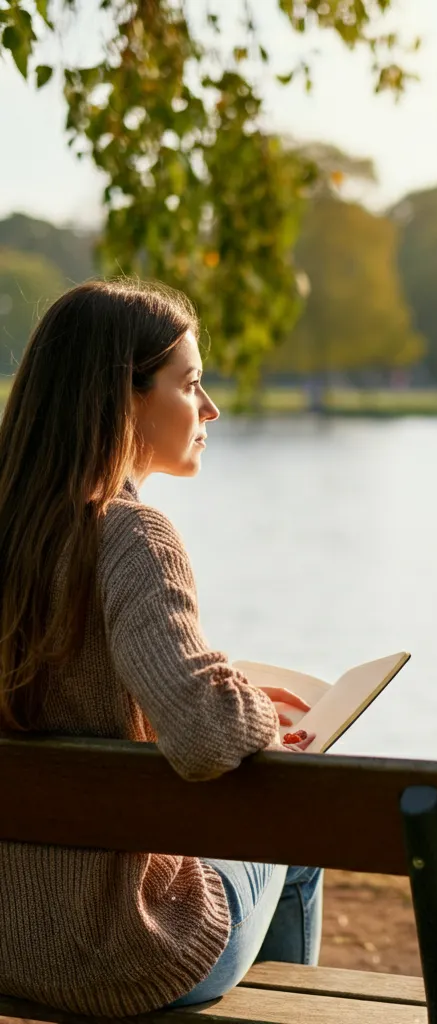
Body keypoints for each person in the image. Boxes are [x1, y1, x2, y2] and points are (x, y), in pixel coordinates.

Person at [0, 279, 323, 1016]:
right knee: (297, 830)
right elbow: (206, 736)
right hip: (119, 953)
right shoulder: (132, 536)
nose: (210, 409)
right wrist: (263, 718)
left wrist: (211, 685)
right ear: (125, 399)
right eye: (191, 384)